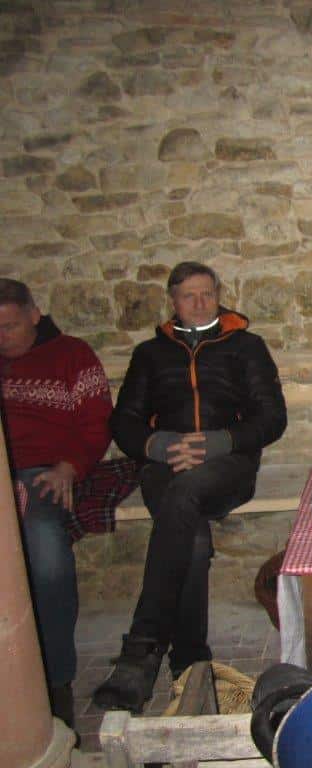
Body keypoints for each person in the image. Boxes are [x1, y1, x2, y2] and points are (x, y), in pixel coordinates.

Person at [93, 261, 287, 713]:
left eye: (207, 293)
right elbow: (124, 421)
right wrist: (160, 445)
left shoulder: (247, 347)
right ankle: (189, 661)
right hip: (165, 464)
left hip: (228, 464)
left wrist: (218, 442)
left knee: (185, 497)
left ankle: (142, 649)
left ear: (218, 295)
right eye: (188, 295)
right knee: (193, 538)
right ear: (173, 301)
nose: (200, 303)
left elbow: (271, 417)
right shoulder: (150, 354)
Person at [0, 279, 114, 731]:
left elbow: (97, 422)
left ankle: (55, 680)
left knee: (44, 551)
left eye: (9, 326)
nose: (2, 337)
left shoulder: (72, 355)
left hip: (48, 472)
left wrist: (70, 466)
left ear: (34, 314)